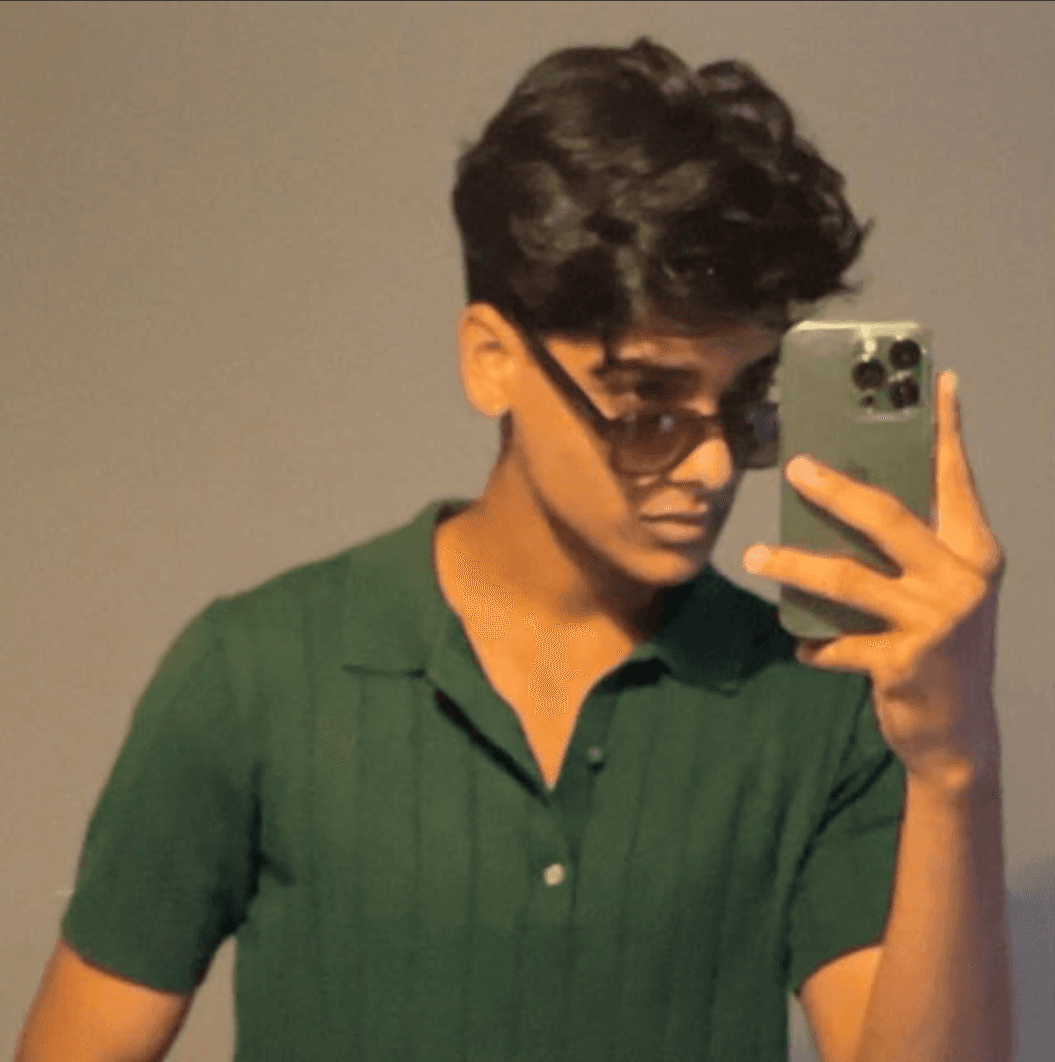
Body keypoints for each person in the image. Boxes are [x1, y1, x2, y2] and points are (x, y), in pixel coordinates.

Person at [17, 37, 907, 1062]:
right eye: (647, 405)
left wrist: (957, 756)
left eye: (743, 406)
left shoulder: (816, 698)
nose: (710, 468)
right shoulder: (252, 674)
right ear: (491, 361)